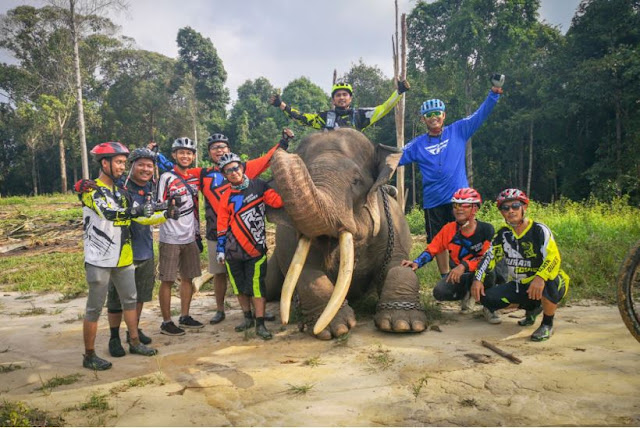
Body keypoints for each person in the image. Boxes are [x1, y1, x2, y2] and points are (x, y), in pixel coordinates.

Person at [151, 130, 293, 325]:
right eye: (214, 148)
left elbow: (266, 159)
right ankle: (220, 309)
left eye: (222, 147)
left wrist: (283, 142)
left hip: (247, 233)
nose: (219, 150)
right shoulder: (203, 174)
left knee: (251, 273)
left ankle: (256, 311)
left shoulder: (242, 168)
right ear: (209, 153)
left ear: (229, 149)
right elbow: (176, 170)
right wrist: (157, 156)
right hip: (215, 233)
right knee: (219, 273)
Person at [398, 74, 504, 278]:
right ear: (423, 119)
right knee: (438, 240)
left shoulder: (458, 130)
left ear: (444, 115)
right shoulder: (418, 144)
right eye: (429, 115)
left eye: (437, 113)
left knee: (468, 235)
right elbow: (395, 157)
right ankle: (445, 277)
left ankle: (471, 273)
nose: (434, 117)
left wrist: (494, 94)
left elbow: (479, 115)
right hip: (433, 202)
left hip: (461, 199)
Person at [79, 142, 160, 370]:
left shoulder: (121, 192)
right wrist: (135, 210)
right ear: (104, 163)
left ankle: (134, 342)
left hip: (123, 256)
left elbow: (138, 219)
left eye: (124, 163)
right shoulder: (90, 189)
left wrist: (166, 214)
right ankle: (89, 354)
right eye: (118, 162)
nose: (122, 167)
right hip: (99, 258)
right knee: (94, 307)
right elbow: (108, 213)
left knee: (131, 301)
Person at [105, 148, 180, 357]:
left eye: (150, 165)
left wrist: (168, 210)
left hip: (145, 248)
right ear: (132, 166)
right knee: (116, 299)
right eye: (141, 165)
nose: (146, 169)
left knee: (139, 296)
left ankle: (133, 331)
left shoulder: (152, 187)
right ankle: (113, 337)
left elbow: (171, 169)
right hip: (121, 251)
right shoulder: (119, 186)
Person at [471, 189, 570, 341]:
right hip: (521, 284)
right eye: (505, 208)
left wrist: (540, 277)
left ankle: (547, 324)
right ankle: (532, 308)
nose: (511, 211)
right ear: (501, 212)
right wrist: (477, 279)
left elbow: (554, 258)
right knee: (486, 297)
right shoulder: (503, 235)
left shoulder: (539, 230)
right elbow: (488, 257)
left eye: (515, 206)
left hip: (547, 282)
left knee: (550, 281)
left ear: (524, 207)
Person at [216, 152, 284, 340]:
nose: (233, 172)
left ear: (242, 167)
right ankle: (247, 318)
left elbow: (278, 202)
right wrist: (220, 249)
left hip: (255, 249)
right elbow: (222, 223)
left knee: (257, 288)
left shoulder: (259, 186)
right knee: (239, 287)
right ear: (224, 175)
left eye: (236, 167)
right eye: (228, 170)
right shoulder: (226, 195)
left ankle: (260, 323)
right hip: (232, 250)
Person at [401, 188, 494, 314]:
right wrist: (416, 263)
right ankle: (467, 294)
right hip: (461, 275)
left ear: (475, 209)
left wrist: (464, 265)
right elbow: (432, 249)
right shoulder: (448, 229)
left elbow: (487, 258)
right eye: (455, 205)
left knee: (490, 273)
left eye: (464, 205)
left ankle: (489, 305)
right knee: (440, 291)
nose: (458, 208)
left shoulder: (486, 229)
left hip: (482, 273)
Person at [268, 79, 410, 131]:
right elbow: (301, 117)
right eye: (338, 95)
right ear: (333, 100)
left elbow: (384, 108)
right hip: (329, 159)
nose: (341, 98)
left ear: (350, 98)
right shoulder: (324, 117)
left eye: (345, 94)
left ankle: (382, 190)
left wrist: (399, 92)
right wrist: (282, 105)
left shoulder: (361, 115)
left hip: (355, 159)